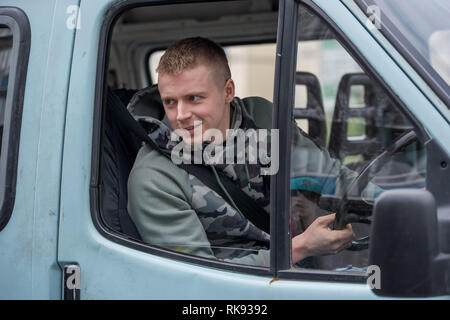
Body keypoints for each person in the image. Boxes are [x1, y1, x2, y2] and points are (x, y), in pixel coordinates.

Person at [127, 37, 356, 267]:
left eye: (194, 98)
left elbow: (330, 176)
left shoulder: (263, 118)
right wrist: (300, 248)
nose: (180, 114)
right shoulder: (154, 177)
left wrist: (383, 199)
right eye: (170, 102)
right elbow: (196, 281)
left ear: (228, 91)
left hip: (297, 271)